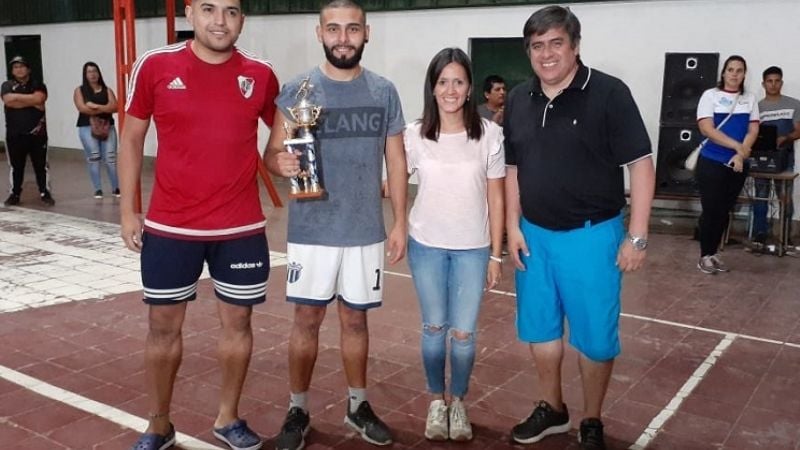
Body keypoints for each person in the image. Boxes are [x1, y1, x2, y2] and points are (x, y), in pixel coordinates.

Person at [118, 0, 279, 449]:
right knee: (162, 328)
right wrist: (128, 211)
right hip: (172, 228)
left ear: (242, 19)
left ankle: (228, 418)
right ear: (190, 14)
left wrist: (290, 161)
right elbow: (131, 138)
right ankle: (158, 425)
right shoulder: (154, 65)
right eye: (209, 9)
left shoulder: (261, 74)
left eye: (231, 11)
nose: (219, 21)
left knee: (239, 325)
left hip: (240, 228)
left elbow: (284, 135)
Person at [503, 6, 654, 449]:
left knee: (596, 340)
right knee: (541, 331)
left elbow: (641, 166)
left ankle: (591, 419)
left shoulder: (609, 93)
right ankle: (552, 408)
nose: (546, 54)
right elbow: (512, 169)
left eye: (556, 43)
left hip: (592, 237)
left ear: (575, 46)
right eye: (537, 46)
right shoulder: (518, 98)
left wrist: (637, 236)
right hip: (534, 236)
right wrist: (512, 227)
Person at [264, 1, 407, 448]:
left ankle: (357, 405)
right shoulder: (297, 90)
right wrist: (280, 163)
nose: (343, 38)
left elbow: (397, 161)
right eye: (333, 29)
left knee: (356, 321)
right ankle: (297, 409)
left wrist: (400, 222)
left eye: (352, 29)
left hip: (364, 229)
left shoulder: (383, 91)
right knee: (306, 319)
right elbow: (271, 153)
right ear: (319, 33)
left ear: (367, 33)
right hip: (312, 229)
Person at [404, 47, 504, 442]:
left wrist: (495, 254)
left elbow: (496, 196)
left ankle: (458, 400)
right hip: (426, 245)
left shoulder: (489, 134)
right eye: (443, 81)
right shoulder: (414, 134)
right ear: (432, 87)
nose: (450, 89)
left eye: (458, 82)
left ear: (469, 87)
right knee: (433, 327)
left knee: (463, 334)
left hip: (473, 249)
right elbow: (394, 181)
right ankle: (436, 400)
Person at [695, 55, 759, 273]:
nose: (734, 74)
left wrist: (740, 155)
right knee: (711, 210)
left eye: (739, 70)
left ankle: (713, 253)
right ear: (723, 73)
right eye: (730, 70)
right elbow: (707, 129)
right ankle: (704, 255)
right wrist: (737, 147)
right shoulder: (710, 96)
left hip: (737, 164)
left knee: (724, 211)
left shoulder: (749, 99)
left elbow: (753, 130)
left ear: (744, 74)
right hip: (712, 162)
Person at [752, 66, 800, 244]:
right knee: (760, 195)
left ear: (781, 82)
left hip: (785, 158)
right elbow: (752, 132)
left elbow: (799, 130)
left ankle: (785, 235)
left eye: (777, 81)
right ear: (763, 84)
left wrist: (786, 138)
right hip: (760, 159)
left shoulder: (794, 104)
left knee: (784, 196)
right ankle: (760, 234)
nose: (773, 84)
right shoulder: (756, 108)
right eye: (769, 81)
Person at [2, 55, 54, 207]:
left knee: (41, 165)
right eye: (15, 67)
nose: (19, 70)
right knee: (16, 166)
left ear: (28, 69)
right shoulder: (7, 85)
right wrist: (30, 100)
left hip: (37, 134)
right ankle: (15, 193)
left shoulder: (38, 84)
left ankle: (44, 192)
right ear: (12, 71)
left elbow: (39, 99)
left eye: (22, 66)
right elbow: (8, 101)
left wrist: (18, 99)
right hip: (14, 134)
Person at [73, 61, 120, 199]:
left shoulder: (107, 90)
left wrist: (96, 106)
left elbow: (115, 107)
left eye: (95, 71)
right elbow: (83, 108)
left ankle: (116, 187)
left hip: (107, 126)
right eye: (89, 72)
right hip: (86, 126)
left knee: (110, 158)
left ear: (99, 73)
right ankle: (98, 189)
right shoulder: (80, 90)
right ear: (85, 74)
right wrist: (105, 108)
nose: (92, 74)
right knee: (94, 157)